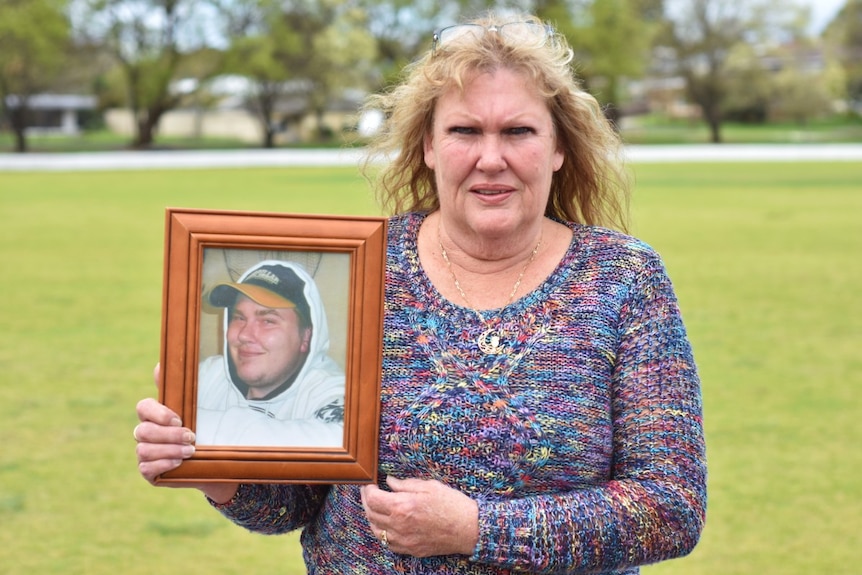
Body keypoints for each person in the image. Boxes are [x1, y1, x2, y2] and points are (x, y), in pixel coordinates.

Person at [134, 12, 706, 574]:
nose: (491, 158)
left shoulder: (624, 279)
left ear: (558, 148)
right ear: (428, 147)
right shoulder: (365, 271)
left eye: (518, 131)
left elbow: (672, 507)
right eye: (464, 131)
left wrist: (477, 530)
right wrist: (211, 464)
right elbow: (300, 499)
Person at [196, 259, 344, 447]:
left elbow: (341, 442)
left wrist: (185, 426)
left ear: (306, 336)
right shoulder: (209, 376)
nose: (244, 335)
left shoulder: (330, 390)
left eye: (268, 321)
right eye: (239, 318)